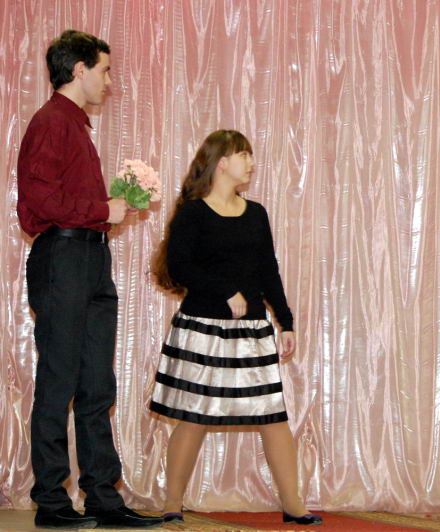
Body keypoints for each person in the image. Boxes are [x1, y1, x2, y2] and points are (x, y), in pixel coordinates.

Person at [16, 30, 163, 530]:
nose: (110, 81)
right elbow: (39, 202)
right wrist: (102, 209)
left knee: (98, 383)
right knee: (59, 381)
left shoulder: (75, 127)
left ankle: (103, 496)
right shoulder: (50, 122)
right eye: (105, 70)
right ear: (79, 70)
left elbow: (66, 200)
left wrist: (108, 211)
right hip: (63, 258)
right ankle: (52, 502)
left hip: (89, 257)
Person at [149, 130, 321, 526]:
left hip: (251, 332)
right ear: (221, 162)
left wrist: (286, 321)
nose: (251, 163)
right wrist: (225, 290)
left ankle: (293, 504)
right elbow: (179, 265)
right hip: (202, 329)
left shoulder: (256, 213)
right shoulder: (193, 213)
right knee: (194, 415)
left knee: (272, 416)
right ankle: (172, 503)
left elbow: (268, 270)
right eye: (244, 154)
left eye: (251, 155)